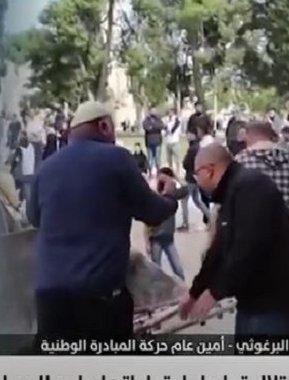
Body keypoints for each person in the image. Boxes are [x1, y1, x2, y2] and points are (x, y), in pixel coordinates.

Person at [27, 101, 181, 339]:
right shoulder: (116, 158)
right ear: (104, 126)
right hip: (99, 298)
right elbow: (152, 212)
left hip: (50, 298)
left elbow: (34, 218)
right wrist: (170, 196)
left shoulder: (46, 167)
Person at [179, 144, 289, 338]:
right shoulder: (232, 191)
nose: (198, 181)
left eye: (197, 175)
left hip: (282, 301)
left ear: (209, 171)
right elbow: (218, 251)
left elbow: (248, 248)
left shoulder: (251, 187)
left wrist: (214, 292)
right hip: (256, 301)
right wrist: (195, 292)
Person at [236, 122, 289, 262]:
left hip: (250, 250)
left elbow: (221, 210)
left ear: (248, 136)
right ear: (272, 136)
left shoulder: (239, 163)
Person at [145, 168, 186, 280]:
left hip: (168, 238)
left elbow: (186, 189)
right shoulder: (154, 196)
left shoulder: (172, 196)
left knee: (178, 269)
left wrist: (175, 177)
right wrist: (146, 242)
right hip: (155, 238)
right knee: (156, 272)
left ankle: (183, 288)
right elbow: (146, 223)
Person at [180, 132, 212, 230]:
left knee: (184, 200)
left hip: (190, 176)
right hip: (196, 175)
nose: (187, 136)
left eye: (189, 134)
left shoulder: (192, 149)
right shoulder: (199, 148)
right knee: (197, 200)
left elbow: (186, 163)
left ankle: (185, 223)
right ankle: (211, 218)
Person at [141, 107, 165, 175]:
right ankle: (150, 172)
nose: (153, 112)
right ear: (149, 111)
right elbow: (146, 127)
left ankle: (158, 172)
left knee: (157, 158)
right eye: (152, 111)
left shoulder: (159, 120)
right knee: (150, 158)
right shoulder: (146, 120)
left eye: (155, 111)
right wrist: (155, 128)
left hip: (157, 142)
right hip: (149, 142)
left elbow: (161, 126)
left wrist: (152, 126)